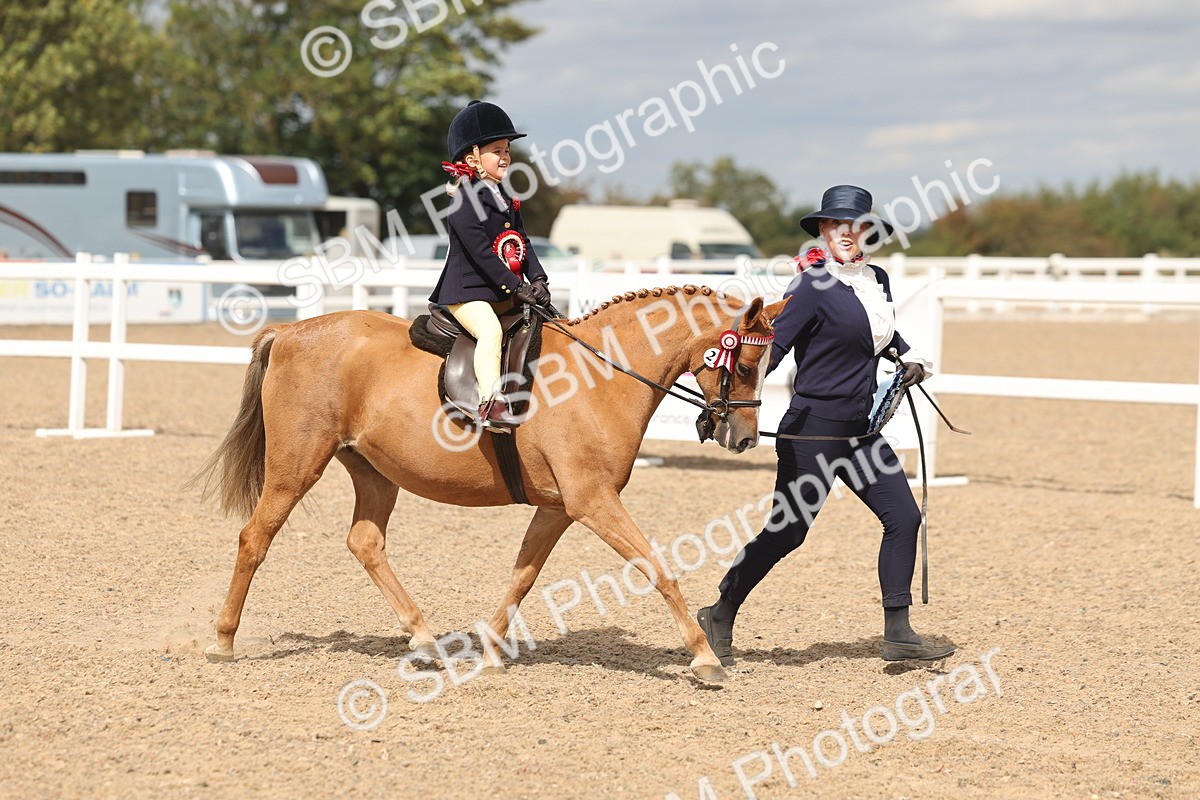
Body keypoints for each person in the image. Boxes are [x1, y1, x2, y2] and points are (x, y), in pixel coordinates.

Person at [696, 185, 955, 663]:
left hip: (862, 431)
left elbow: (880, 333)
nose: (847, 233)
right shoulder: (810, 286)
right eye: (837, 225)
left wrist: (911, 357)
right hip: (812, 430)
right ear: (822, 230)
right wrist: (726, 401)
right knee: (787, 532)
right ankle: (720, 612)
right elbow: (771, 351)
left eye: (856, 225)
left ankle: (898, 632)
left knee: (903, 518)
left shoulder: (876, 279)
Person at [429, 100, 550, 430]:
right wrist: (517, 287)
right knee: (490, 331)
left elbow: (522, 242)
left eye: (507, 150)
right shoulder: (464, 201)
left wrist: (539, 279)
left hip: (499, 292)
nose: (505, 156)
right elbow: (482, 253)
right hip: (466, 294)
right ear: (472, 159)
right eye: (496, 151)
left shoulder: (505, 198)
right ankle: (490, 403)